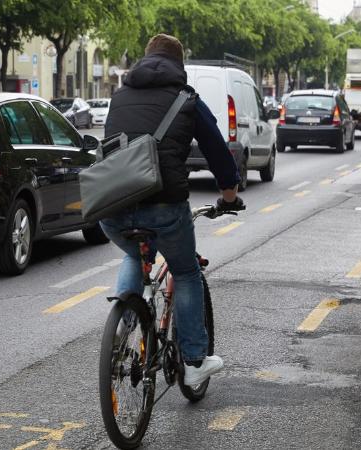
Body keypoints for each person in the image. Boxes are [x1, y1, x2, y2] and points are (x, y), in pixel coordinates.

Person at [99, 34, 244, 387]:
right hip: (164, 206)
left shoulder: (119, 96)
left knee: (134, 255)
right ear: (179, 65)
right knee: (186, 270)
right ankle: (194, 360)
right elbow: (217, 150)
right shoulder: (187, 99)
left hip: (112, 206)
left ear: (143, 60)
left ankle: (124, 326)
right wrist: (228, 194)